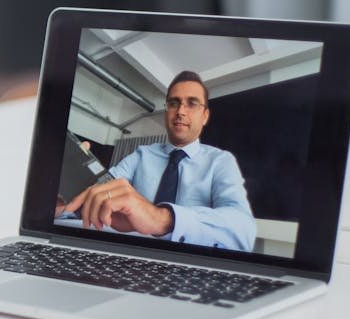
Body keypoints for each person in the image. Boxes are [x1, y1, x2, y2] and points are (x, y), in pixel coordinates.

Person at [62, 70, 257, 252]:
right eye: (173, 103)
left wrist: (162, 219)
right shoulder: (142, 154)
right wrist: (68, 187)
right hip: (128, 253)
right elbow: (103, 189)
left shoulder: (221, 161)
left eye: (192, 103)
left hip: (187, 264)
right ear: (166, 111)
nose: (180, 111)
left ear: (205, 116)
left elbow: (243, 230)